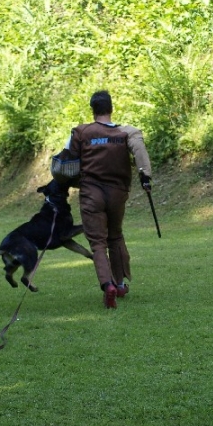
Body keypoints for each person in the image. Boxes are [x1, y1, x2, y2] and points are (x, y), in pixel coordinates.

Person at [63, 90, 153, 309]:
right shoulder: (126, 133)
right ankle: (120, 284)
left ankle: (107, 285)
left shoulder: (80, 132)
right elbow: (140, 152)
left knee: (98, 243)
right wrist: (145, 177)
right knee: (115, 236)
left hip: (91, 194)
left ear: (92, 110)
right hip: (117, 194)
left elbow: (66, 163)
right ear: (111, 108)